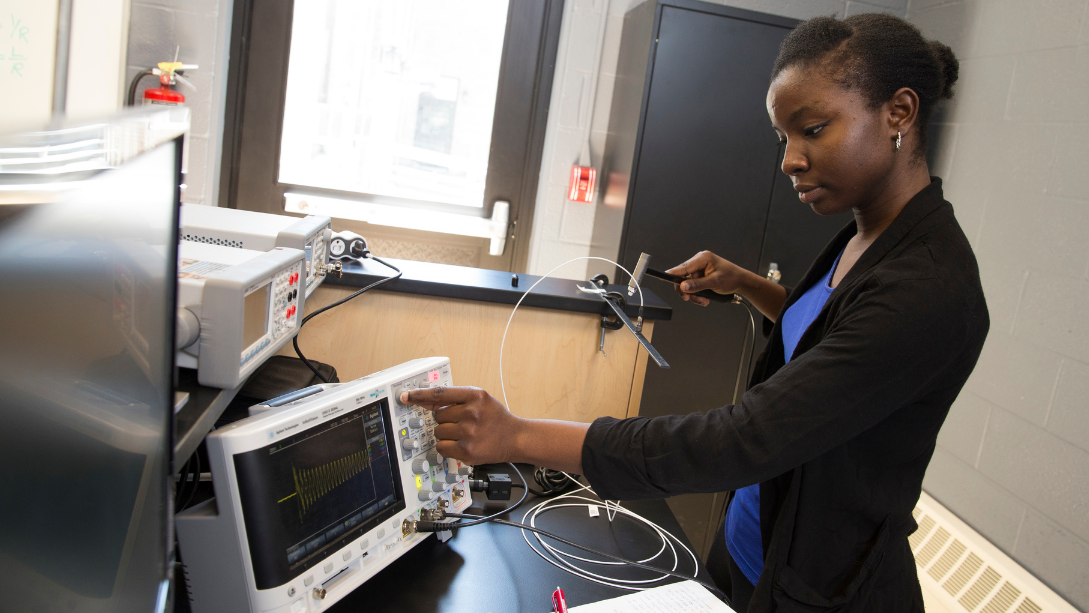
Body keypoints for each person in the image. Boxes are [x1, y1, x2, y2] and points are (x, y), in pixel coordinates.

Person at [402, 13, 988, 613]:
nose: (790, 160)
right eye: (784, 137)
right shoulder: (867, 234)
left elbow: (743, 439)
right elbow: (829, 333)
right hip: (749, 555)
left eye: (812, 129)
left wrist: (518, 435)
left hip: (819, 592)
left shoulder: (928, 288)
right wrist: (748, 286)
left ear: (899, 112)